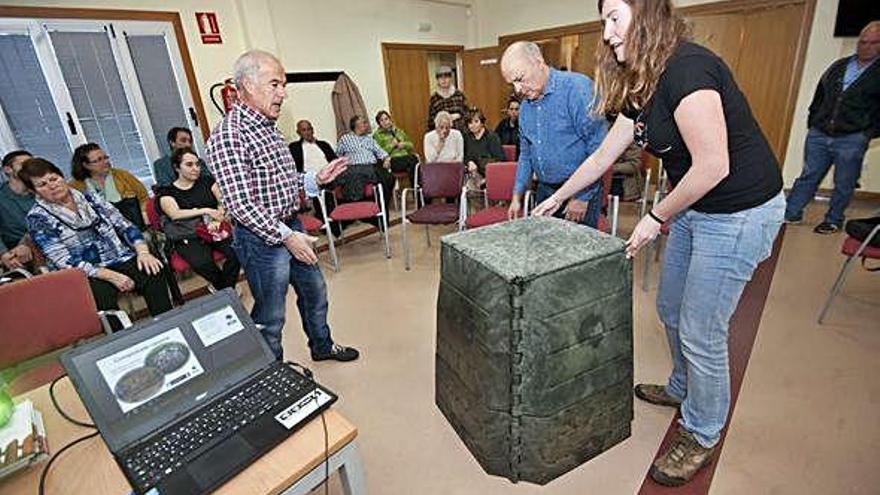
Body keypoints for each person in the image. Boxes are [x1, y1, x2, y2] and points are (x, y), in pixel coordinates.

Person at [532, 0, 784, 486]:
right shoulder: (641, 82)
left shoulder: (689, 69)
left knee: (701, 329)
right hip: (696, 206)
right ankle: (682, 386)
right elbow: (606, 154)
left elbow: (714, 165)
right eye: (603, 20)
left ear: (648, 15)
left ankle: (703, 431)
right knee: (670, 309)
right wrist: (558, 198)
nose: (606, 33)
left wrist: (654, 216)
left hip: (740, 211)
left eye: (614, 18)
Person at [205, 49, 358, 362]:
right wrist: (286, 236)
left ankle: (322, 346)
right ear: (246, 85)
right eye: (274, 84)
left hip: (292, 225)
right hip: (260, 239)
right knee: (271, 315)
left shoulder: (268, 128)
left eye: (283, 85)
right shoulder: (228, 136)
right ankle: (271, 373)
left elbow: (282, 183)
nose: (283, 94)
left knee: (315, 293)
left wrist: (317, 178)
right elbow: (240, 204)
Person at [21, 157, 172, 316]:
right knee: (100, 296)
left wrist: (143, 253)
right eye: (42, 184)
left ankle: (166, 324)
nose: (52, 185)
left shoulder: (91, 198)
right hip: (84, 271)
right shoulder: (37, 218)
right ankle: (119, 337)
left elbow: (125, 225)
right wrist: (112, 276)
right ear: (33, 191)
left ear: (61, 176)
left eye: (54, 178)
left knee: (152, 270)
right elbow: (63, 260)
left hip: (118, 257)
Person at [784, 20, 880, 234]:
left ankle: (834, 219)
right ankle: (791, 213)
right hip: (819, 132)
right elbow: (820, 94)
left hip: (852, 137)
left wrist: (867, 133)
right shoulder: (839, 66)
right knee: (809, 174)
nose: (866, 47)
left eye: (873, 43)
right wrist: (813, 121)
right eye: (863, 42)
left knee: (844, 182)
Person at [501, 41, 608, 227]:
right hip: (544, 190)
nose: (517, 89)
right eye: (512, 84)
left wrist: (582, 197)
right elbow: (526, 155)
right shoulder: (525, 108)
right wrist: (517, 195)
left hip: (579, 190)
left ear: (538, 61)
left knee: (577, 254)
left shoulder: (578, 89)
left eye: (520, 78)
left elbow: (599, 149)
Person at [157, 147, 240, 291]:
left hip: (214, 229)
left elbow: (223, 202)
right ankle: (226, 288)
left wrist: (218, 219)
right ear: (177, 167)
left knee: (237, 252)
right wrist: (206, 210)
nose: (195, 168)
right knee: (202, 263)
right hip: (189, 234)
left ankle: (224, 289)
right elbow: (174, 214)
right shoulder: (166, 191)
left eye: (197, 164)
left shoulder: (207, 181)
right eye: (189, 165)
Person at [70, 143, 150, 230]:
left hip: (133, 225)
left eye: (106, 157)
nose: (106, 162)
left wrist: (144, 213)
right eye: (99, 160)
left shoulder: (123, 175)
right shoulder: (75, 186)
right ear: (86, 165)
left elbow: (144, 197)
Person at [335, 115, 395, 207]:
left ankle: (381, 205)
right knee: (355, 179)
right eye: (364, 123)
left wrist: (386, 159)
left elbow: (381, 152)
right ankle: (361, 208)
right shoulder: (345, 139)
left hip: (372, 167)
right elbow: (337, 156)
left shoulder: (369, 139)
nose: (367, 125)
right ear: (356, 125)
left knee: (390, 178)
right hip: (355, 168)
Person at [0, 151, 36, 271]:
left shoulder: (42, 190)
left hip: (45, 245)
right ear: (7, 170)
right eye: (24, 164)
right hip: (15, 255)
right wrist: (4, 254)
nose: (30, 168)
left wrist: (26, 242)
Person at [373, 110, 418, 186]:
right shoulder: (377, 135)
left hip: (405, 158)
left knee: (413, 163)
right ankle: (416, 189)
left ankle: (416, 188)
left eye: (386, 119)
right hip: (392, 160)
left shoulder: (398, 131)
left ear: (390, 120)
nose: (385, 122)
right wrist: (391, 146)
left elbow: (411, 146)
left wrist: (404, 144)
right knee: (413, 160)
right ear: (379, 124)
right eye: (382, 120)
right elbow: (378, 152)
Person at [463, 108, 505, 190]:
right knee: (468, 184)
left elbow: (500, 160)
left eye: (476, 121)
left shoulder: (492, 137)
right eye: (470, 123)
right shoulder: (467, 137)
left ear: (482, 123)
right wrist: (469, 162)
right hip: (474, 174)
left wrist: (486, 178)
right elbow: (464, 156)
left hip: (491, 174)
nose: (473, 125)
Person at [427, 65, 468, 131]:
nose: (444, 80)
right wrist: (444, 118)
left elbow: (467, 115)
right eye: (440, 77)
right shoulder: (434, 98)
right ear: (437, 80)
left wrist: (458, 116)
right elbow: (431, 122)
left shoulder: (459, 95)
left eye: (446, 77)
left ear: (451, 79)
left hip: (461, 133)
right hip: (443, 135)